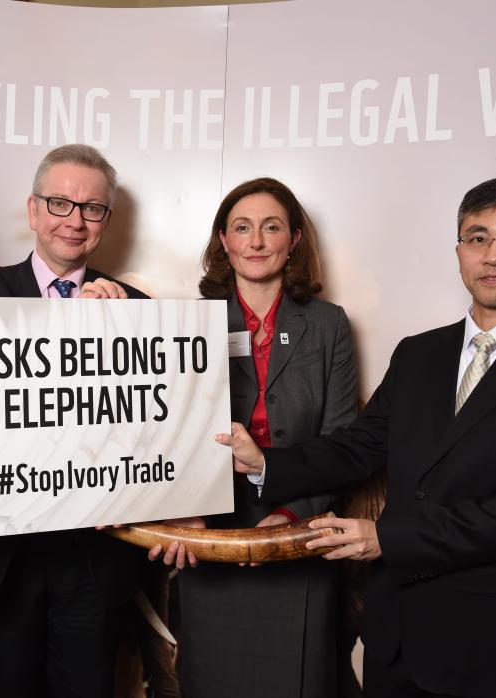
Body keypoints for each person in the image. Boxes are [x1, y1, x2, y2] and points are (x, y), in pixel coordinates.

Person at [218, 176, 496, 698]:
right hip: (395, 635)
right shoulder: (418, 354)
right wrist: (265, 464)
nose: (494, 255)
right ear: (459, 252)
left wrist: (386, 539)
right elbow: (358, 446)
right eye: (478, 238)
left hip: (493, 643)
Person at [0, 144, 149, 698]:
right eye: (59, 203)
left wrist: (122, 333)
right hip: (1, 561)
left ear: (106, 221)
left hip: (94, 560)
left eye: (91, 208)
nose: (74, 220)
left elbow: (149, 435)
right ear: (33, 210)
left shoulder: (137, 309)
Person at [148, 177, 357, 697]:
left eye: (271, 227)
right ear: (224, 241)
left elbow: (342, 443)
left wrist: (289, 517)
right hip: (210, 537)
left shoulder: (329, 325)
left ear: (294, 240)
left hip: (299, 533)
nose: (257, 241)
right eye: (242, 228)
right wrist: (181, 510)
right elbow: (162, 433)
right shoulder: (186, 323)